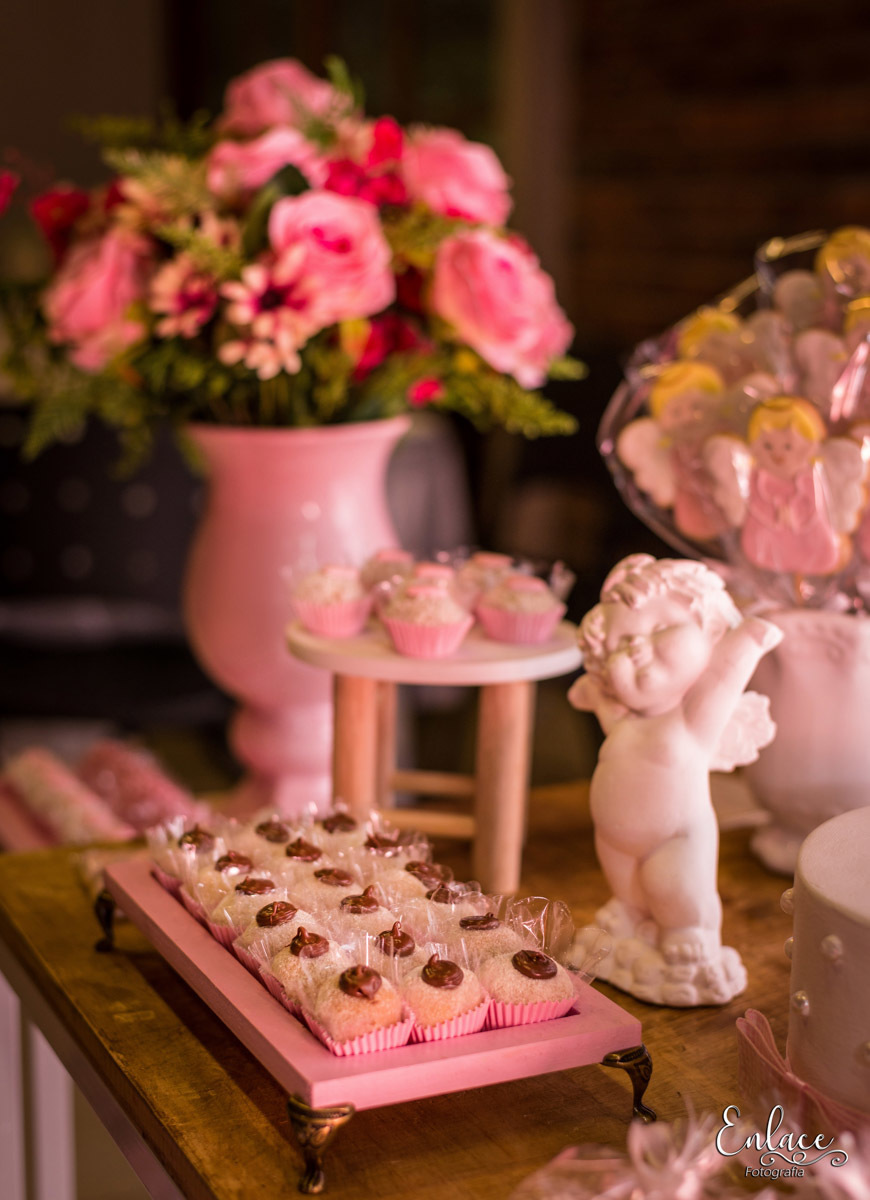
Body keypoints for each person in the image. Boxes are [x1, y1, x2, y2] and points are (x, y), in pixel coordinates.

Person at [569, 554, 781, 1004]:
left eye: (661, 627)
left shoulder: (691, 720)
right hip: (614, 840)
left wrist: (747, 641)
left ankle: (689, 929)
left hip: (675, 839)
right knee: (627, 890)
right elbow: (591, 692)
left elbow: (723, 677)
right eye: (623, 642)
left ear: (710, 634)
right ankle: (629, 910)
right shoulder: (627, 716)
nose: (638, 648)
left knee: (676, 885)